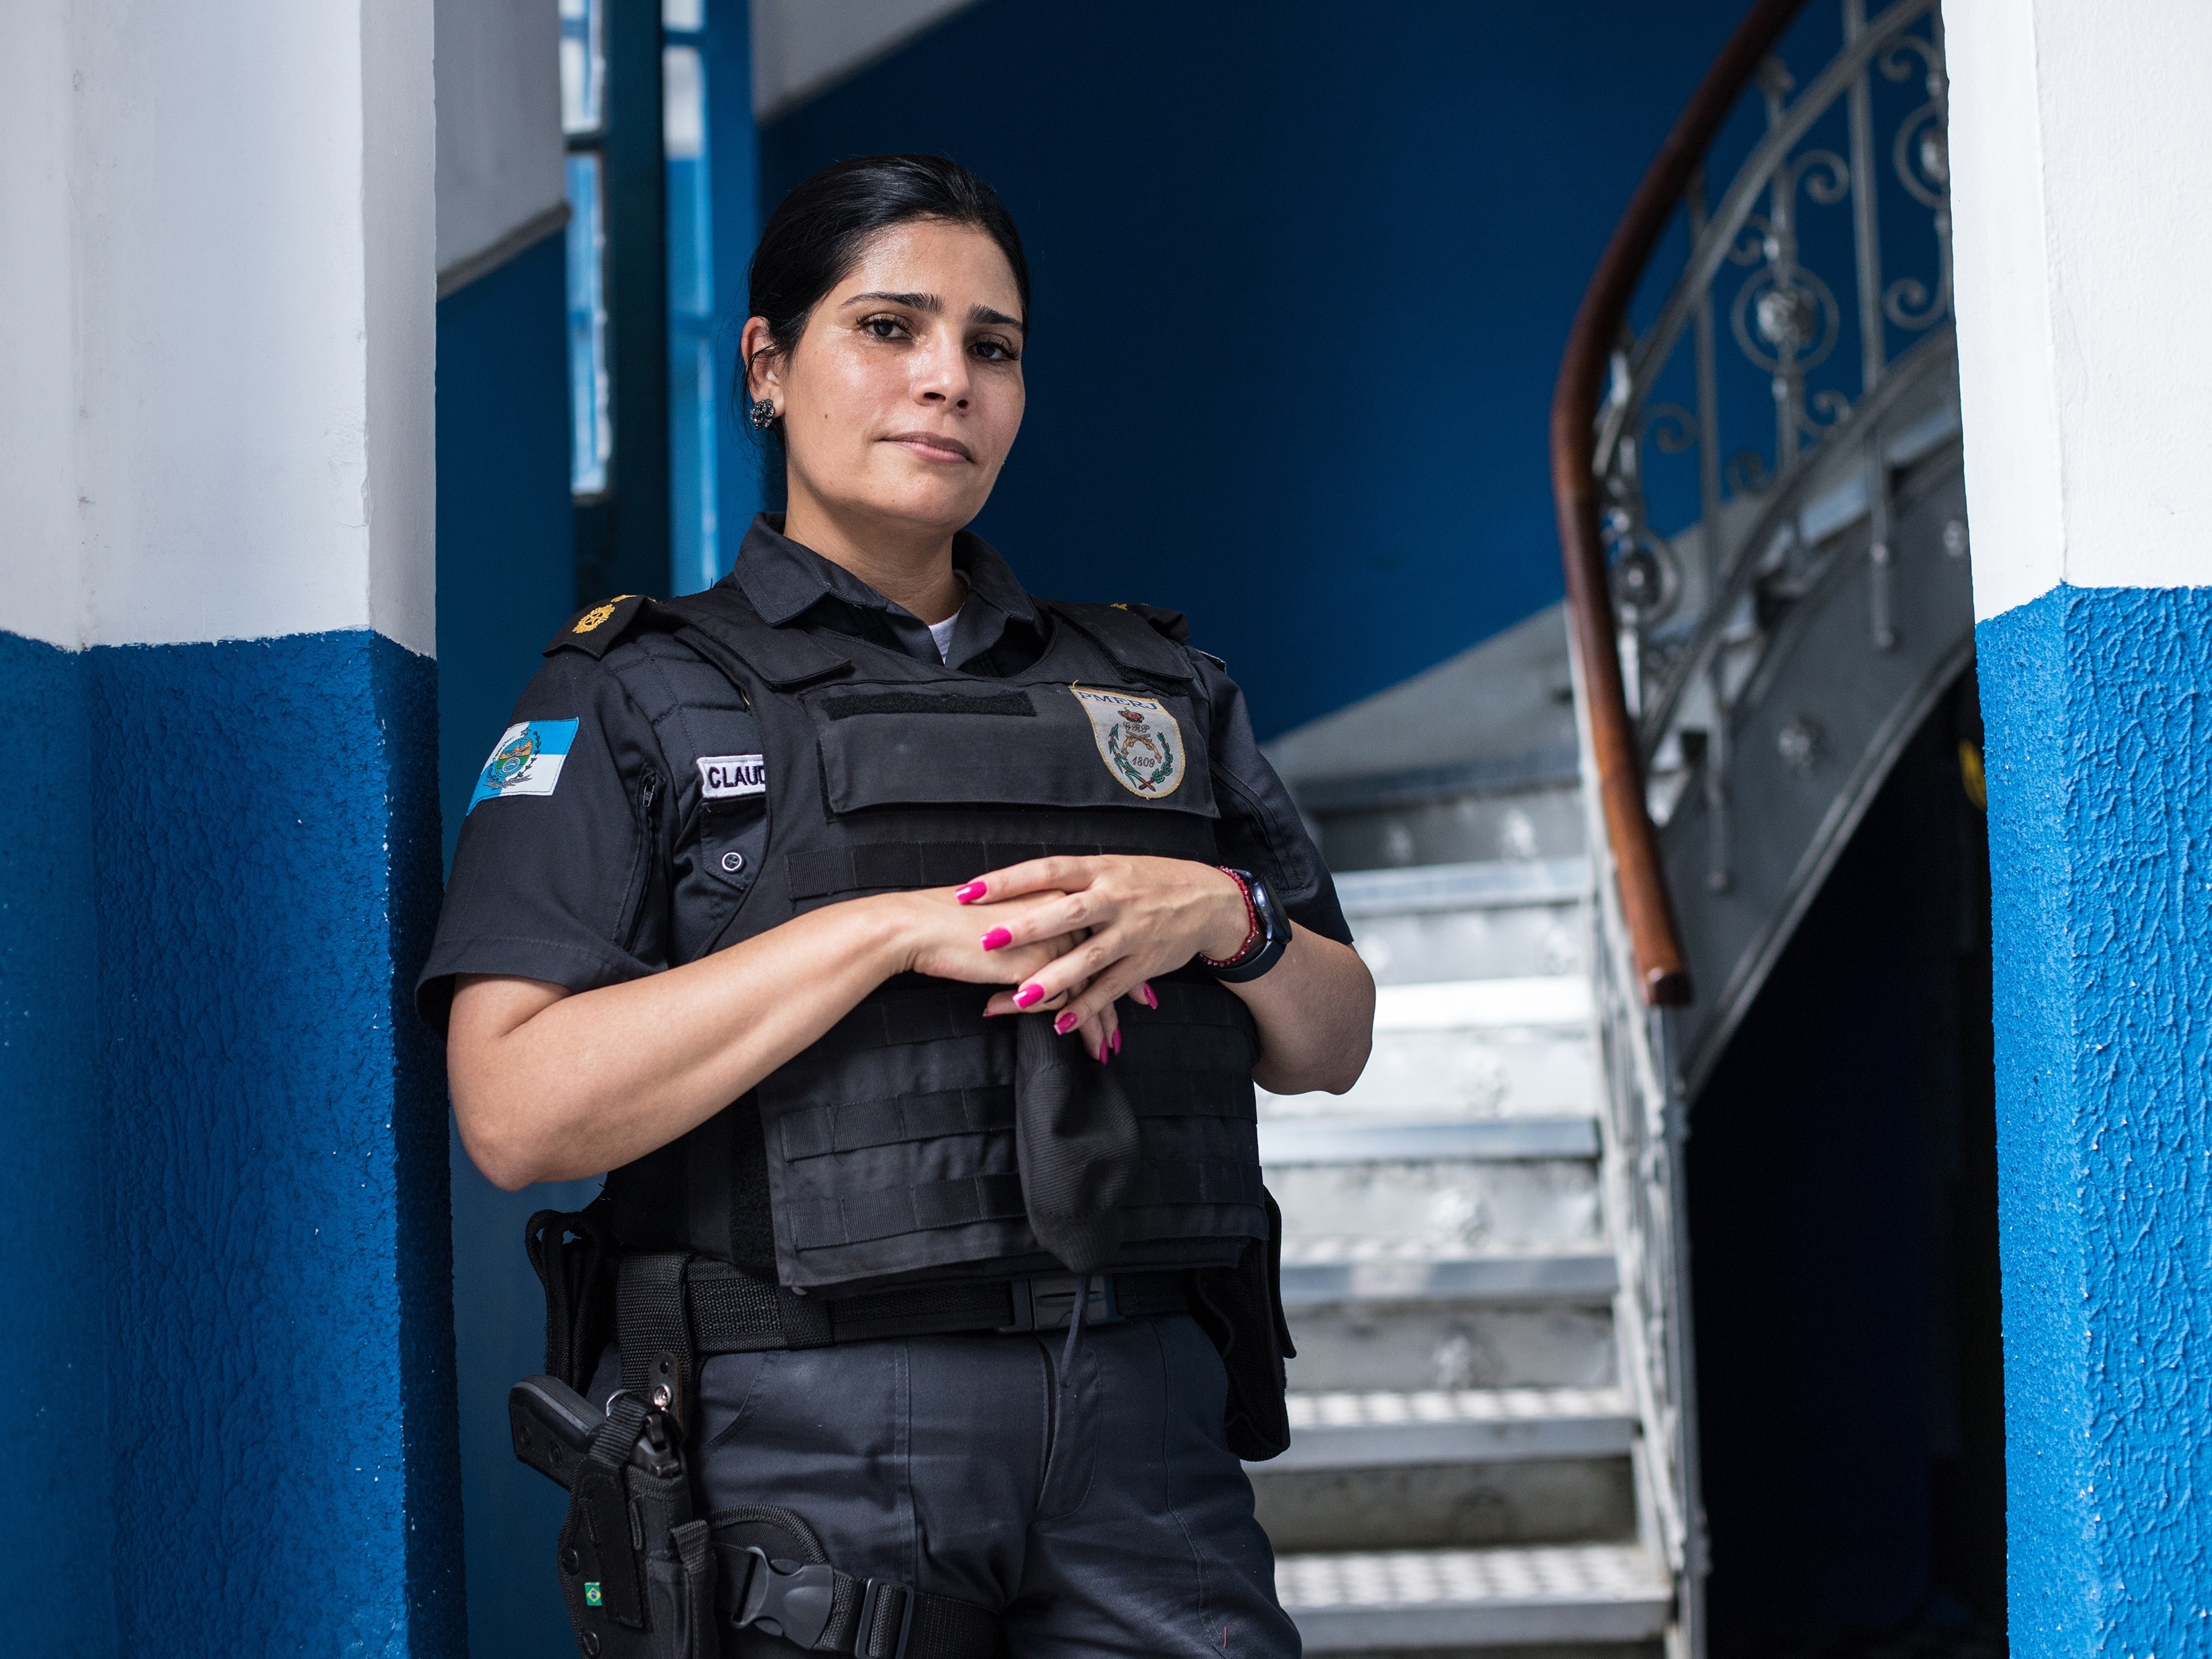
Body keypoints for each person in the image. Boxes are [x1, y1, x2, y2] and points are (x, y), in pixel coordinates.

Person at [420, 152, 1374, 1658]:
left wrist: (1221, 915)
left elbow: (1332, 1039)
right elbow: (512, 1110)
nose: (947, 381)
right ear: (766, 363)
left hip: (1144, 1423)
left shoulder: (1152, 688)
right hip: (806, 1436)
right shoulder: (633, 694)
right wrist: (878, 932)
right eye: (888, 327)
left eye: (989, 348)